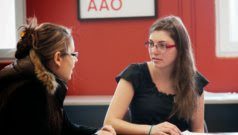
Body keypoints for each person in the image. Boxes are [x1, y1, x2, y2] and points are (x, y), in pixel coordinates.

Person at [0, 18, 116, 135]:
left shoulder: (46, 85)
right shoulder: (31, 91)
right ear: (58, 58)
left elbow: (66, 128)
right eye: (73, 54)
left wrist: (98, 132)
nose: (76, 60)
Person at [104, 15, 209, 135]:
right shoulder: (134, 74)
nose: (154, 51)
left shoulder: (194, 81)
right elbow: (109, 122)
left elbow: (198, 130)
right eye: (151, 44)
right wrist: (150, 130)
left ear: (180, 48)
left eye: (162, 45)